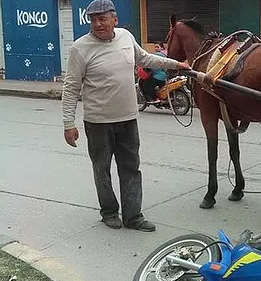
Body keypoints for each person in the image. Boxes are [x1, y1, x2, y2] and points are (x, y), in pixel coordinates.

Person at [61, 0, 190, 232]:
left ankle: (133, 216)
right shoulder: (79, 49)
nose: (98, 24)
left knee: (131, 167)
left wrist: (176, 64)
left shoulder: (125, 37)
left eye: (102, 18)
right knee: (102, 168)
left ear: (114, 19)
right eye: (93, 19)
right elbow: (71, 87)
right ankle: (109, 212)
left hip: (128, 119)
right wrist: (68, 123)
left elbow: (146, 59)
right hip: (98, 122)